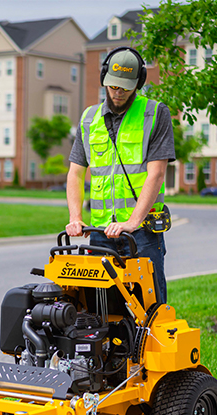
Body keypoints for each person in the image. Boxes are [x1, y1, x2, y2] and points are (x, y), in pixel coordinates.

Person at [66, 47, 175, 302]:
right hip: (100, 233)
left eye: (125, 87)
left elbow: (156, 174)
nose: (118, 93)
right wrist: (75, 217)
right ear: (104, 78)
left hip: (142, 234)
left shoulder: (155, 114)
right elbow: (75, 173)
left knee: (149, 309)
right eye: (113, 86)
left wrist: (133, 222)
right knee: (99, 310)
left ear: (139, 83)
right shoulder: (88, 119)